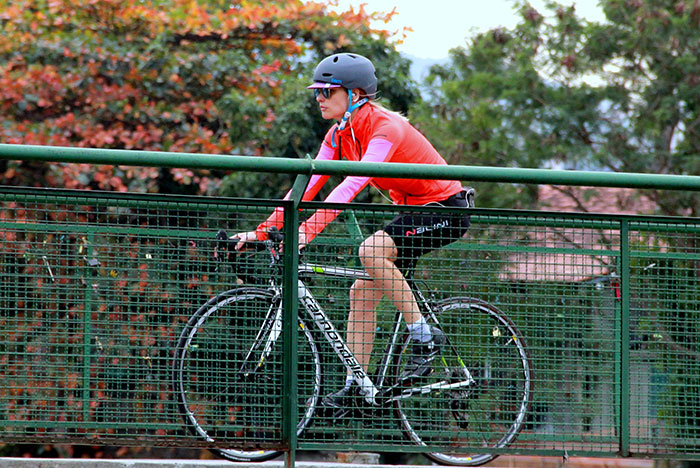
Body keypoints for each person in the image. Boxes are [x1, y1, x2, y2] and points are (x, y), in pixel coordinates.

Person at [234, 52, 470, 409]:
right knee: (360, 290)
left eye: (327, 91)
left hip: (445, 209)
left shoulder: (385, 127)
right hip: (412, 211)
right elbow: (309, 185)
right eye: (317, 91)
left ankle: (424, 337)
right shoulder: (338, 133)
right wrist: (266, 231)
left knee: (371, 250)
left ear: (355, 94)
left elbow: (351, 185)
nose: (318, 98)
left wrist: (304, 234)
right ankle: (358, 385)